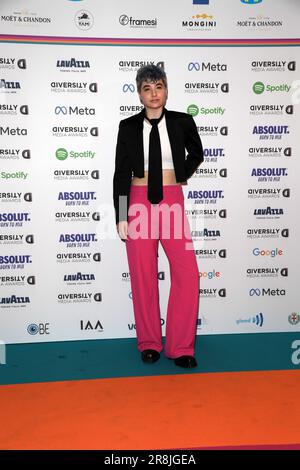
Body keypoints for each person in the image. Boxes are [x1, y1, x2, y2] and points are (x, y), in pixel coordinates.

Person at [113, 65, 203, 368]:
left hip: (172, 201)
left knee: (188, 273)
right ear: (139, 94)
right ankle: (149, 342)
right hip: (138, 203)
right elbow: (120, 173)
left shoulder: (182, 122)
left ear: (166, 90)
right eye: (147, 88)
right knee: (142, 275)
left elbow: (197, 154)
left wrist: (181, 175)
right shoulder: (127, 126)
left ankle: (180, 346)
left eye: (159, 87)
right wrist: (122, 213)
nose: (154, 93)